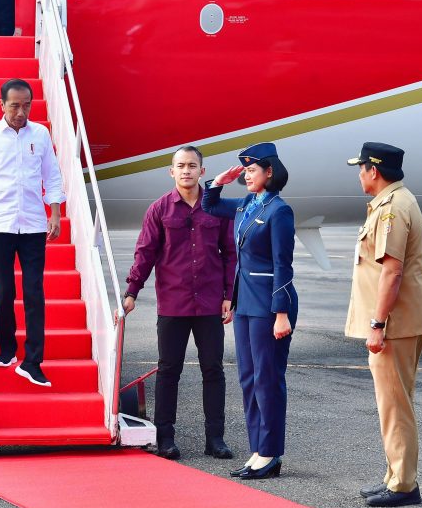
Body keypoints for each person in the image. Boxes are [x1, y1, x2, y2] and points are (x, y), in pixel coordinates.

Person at [121, 146, 237, 461]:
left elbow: (230, 253)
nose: (186, 171)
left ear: (202, 170)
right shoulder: (159, 210)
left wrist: (230, 295)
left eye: (192, 166)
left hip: (211, 303)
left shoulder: (218, 209)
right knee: (168, 370)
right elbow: (144, 253)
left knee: (213, 369)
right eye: (180, 166)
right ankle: (166, 437)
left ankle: (216, 438)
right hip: (172, 303)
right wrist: (132, 291)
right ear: (171, 172)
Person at [0, 78, 63, 386]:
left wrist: (54, 213)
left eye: (27, 105)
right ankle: (7, 349)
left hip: (32, 224)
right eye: (15, 105)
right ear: (2, 104)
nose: (21, 111)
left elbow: (52, 176)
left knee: (35, 293)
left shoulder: (41, 134)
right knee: (3, 292)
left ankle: (33, 361)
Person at [344, 143, 422, 508]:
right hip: (403, 320)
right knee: (396, 402)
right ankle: (395, 474)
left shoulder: (392, 208)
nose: (359, 173)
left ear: (373, 170)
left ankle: (403, 484)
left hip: (394, 324)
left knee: (395, 404)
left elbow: (392, 271)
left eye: (360, 167)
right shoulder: (396, 201)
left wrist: (378, 323)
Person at [204, 142, 296, 480]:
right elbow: (209, 206)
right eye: (245, 170)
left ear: (269, 172)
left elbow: (282, 264)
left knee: (267, 378)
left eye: (252, 170)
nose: (246, 175)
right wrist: (219, 180)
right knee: (248, 378)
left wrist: (281, 312)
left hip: (269, 306)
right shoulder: (246, 204)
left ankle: (270, 452)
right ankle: (258, 448)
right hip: (245, 303)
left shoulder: (278, 210)